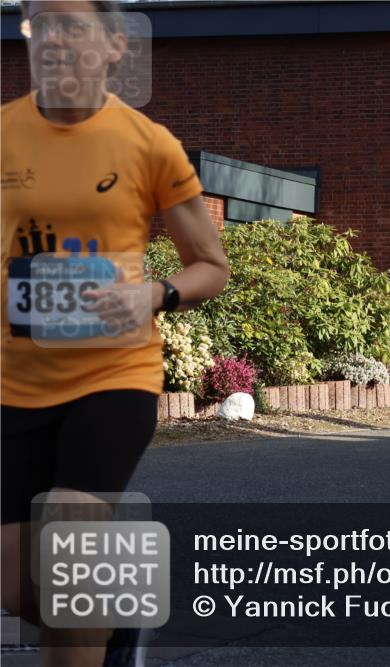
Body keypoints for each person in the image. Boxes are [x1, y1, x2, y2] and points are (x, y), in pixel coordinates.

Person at [2, 2, 230, 665]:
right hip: (12, 380)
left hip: (112, 372)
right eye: (40, 24)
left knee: (69, 547)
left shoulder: (147, 144)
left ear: (114, 46)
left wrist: (154, 294)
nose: (53, 38)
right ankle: (117, 612)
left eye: (71, 25)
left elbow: (211, 266)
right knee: (18, 585)